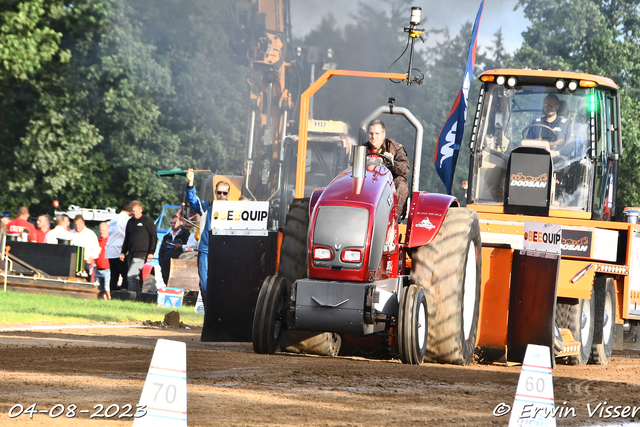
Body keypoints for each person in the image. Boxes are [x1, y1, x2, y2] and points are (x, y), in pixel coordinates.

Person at [185, 169, 230, 306]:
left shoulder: (235, 209)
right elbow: (192, 200)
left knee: (224, 286)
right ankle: (208, 311)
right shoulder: (206, 206)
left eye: (224, 193)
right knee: (204, 285)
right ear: (215, 193)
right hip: (206, 250)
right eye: (219, 192)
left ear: (228, 194)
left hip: (226, 252)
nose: (222, 195)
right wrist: (191, 181)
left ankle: (220, 311)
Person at [366, 119, 410, 215]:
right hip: (368, 181)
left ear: (383, 134)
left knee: (401, 184)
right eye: (371, 133)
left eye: (377, 134)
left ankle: (393, 218)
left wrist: (393, 164)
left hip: (388, 182)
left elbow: (406, 168)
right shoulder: (362, 149)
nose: (374, 137)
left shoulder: (395, 147)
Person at [119, 201, 157, 293]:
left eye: (136, 211)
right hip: (131, 254)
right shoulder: (130, 222)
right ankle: (138, 295)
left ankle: (131, 295)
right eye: (133, 211)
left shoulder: (147, 221)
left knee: (131, 275)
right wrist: (123, 252)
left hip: (142, 253)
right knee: (136, 277)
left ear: (141, 209)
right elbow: (127, 238)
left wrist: (151, 252)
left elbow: (154, 237)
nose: (135, 213)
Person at [105, 202, 133, 291]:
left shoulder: (115, 218)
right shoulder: (126, 219)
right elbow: (127, 234)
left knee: (114, 275)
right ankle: (123, 293)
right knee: (125, 275)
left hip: (110, 250)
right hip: (119, 249)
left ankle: (113, 294)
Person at [158, 215, 190, 285]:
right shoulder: (166, 237)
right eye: (171, 223)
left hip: (179, 266)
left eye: (174, 222)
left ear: (180, 223)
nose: (173, 225)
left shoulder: (185, 236)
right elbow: (161, 251)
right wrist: (162, 262)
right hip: (166, 265)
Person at [71, 215, 101, 279]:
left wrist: (90, 260)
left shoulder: (90, 234)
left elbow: (96, 248)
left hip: (85, 262)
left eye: (79, 224)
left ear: (83, 223)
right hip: (73, 261)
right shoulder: (71, 233)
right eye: (75, 224)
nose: (77, 226)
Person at [95, 222, 111, 300]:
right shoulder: (97, 242)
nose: (102, 232)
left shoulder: (110, 241)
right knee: (100, 289)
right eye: (100, 230)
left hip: (107, 269)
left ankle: (110, 300)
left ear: (108, 230)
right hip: (98, 269)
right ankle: (103, 302)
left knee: (107, 288)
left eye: (104, 230)